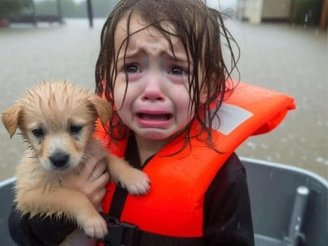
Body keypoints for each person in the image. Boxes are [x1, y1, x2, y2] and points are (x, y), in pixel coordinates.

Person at [8, 0, 255, 245]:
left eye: (177, 70)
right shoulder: (96, 136)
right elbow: (20, 232)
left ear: (208, 86)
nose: (152, 90)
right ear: (108, 79)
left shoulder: (225, 178)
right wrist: (69, 207)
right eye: (132, 67)